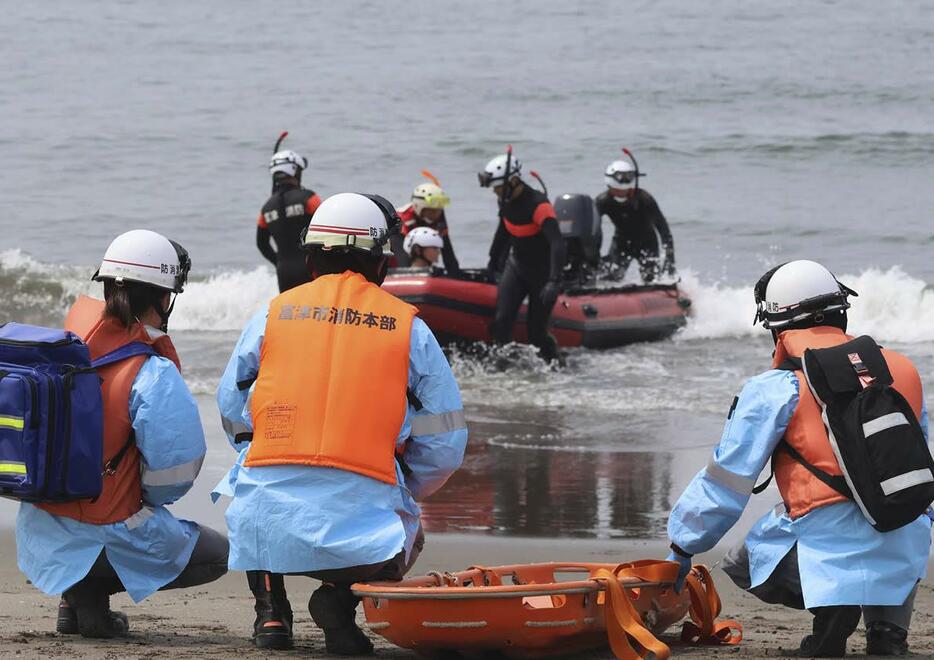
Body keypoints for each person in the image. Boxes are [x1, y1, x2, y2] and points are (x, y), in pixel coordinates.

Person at [216, 192, 468, 655]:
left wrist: (259, 448)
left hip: (264, 520)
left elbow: (232, 404)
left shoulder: (273, 313)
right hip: (362, 527)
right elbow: (444, 437)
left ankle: (271, 612)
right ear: (379, 261)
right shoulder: (408, 327)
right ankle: (337, 602)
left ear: (312, 257)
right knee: (407, 536)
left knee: (250, 481)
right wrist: (407, 483)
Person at [665, 260, 931, 657]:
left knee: (742, 563)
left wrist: (683, 546)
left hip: (827, 545)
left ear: (778, 327)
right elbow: (918, 467)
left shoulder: (776, 387)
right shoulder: (901, 370)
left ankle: (832, 613)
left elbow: (727, 481)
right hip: (905, 538)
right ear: (840, 311)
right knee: (898, 527)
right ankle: (888, 632)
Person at [15, 230, 228, 638]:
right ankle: (88, 592)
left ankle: (74, 591)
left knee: (94, 525)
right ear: (164, 299)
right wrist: (136, 496)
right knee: (217, 555)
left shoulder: (66, 346)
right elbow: (174, 477)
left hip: (38, 530)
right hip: (111, 526)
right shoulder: (152, 372)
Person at [481, 153, 565, 362]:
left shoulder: (539, 205)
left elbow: (557, 242)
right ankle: (507, 370)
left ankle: (558, 369)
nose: (495, 192)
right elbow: (502, 232)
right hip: (517, 266)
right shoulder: (505, 200)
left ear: (514, 181)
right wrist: (493, 262)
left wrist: (554, 281)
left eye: (498, 187)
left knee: (536, 333)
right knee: (501, 322)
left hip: (543, 273)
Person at [596, 159, 675, 283]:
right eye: (617, 190)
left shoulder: (644, 199)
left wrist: (670, 258)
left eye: (625, 190)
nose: (622, 193)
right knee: (611, 278)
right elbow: (592, 229)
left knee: (651, 279)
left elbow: (663, 228)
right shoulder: (603, 201)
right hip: (621, 243)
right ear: (609, 185)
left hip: (647, 244)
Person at [256, 149, 323, 292]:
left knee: (291, 312)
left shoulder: (266, 208)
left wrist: (278, 261)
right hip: (312, 268)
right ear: (294, 171)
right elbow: (326, 227)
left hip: (284, 272)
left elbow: (261, 243)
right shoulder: (309, 198)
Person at [391, 181, 460, 274]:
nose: (435, 215)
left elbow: (447, 251)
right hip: (395, 257)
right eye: (431, 211)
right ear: (419, 207)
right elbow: (402, 255)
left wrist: (455, 274)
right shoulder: (401, 219)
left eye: (438, 211)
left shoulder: (439, 218)